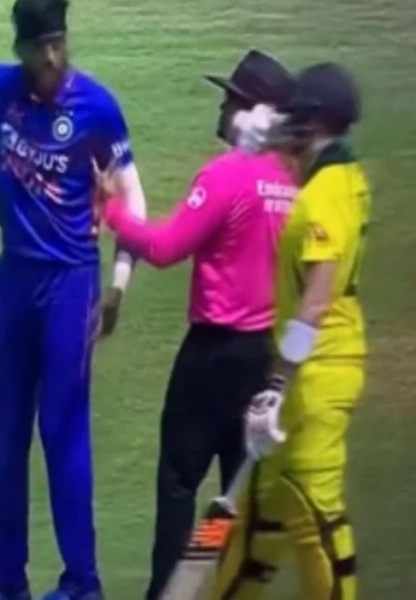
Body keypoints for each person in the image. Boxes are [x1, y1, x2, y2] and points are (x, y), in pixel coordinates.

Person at [0, 0, 148, 600]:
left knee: (63, 431)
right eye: (40, 46)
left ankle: (83, 583)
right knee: (8, 435)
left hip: (71, 285)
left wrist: (118, 286)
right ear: (19, 48)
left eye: (58, 43)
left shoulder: (96, 108)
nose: (51, 57)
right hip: (14, 280)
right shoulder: (1, 89)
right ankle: (7, 583)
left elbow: (134, 198)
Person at [93, 49, 297, 600]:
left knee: (180, 486)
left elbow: (164, 248)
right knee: (233, 497)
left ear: (253, 112)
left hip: (211, 359)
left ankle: (168, 593)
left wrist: (113, 211)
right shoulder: (294, 184)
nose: (222, 108)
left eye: (231, 99)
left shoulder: (228, 175)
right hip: (264, 361)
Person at [209, 63, 369, 600]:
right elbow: (299, 150)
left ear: (316, 121)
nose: (292, 127)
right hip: (305, 376)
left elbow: (316, 301)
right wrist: (265, 135)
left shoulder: (324, 197)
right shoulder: (342, 179)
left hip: (317, 378)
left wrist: (277, 385)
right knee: (256, 515)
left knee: (314, 517)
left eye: (299, 118)